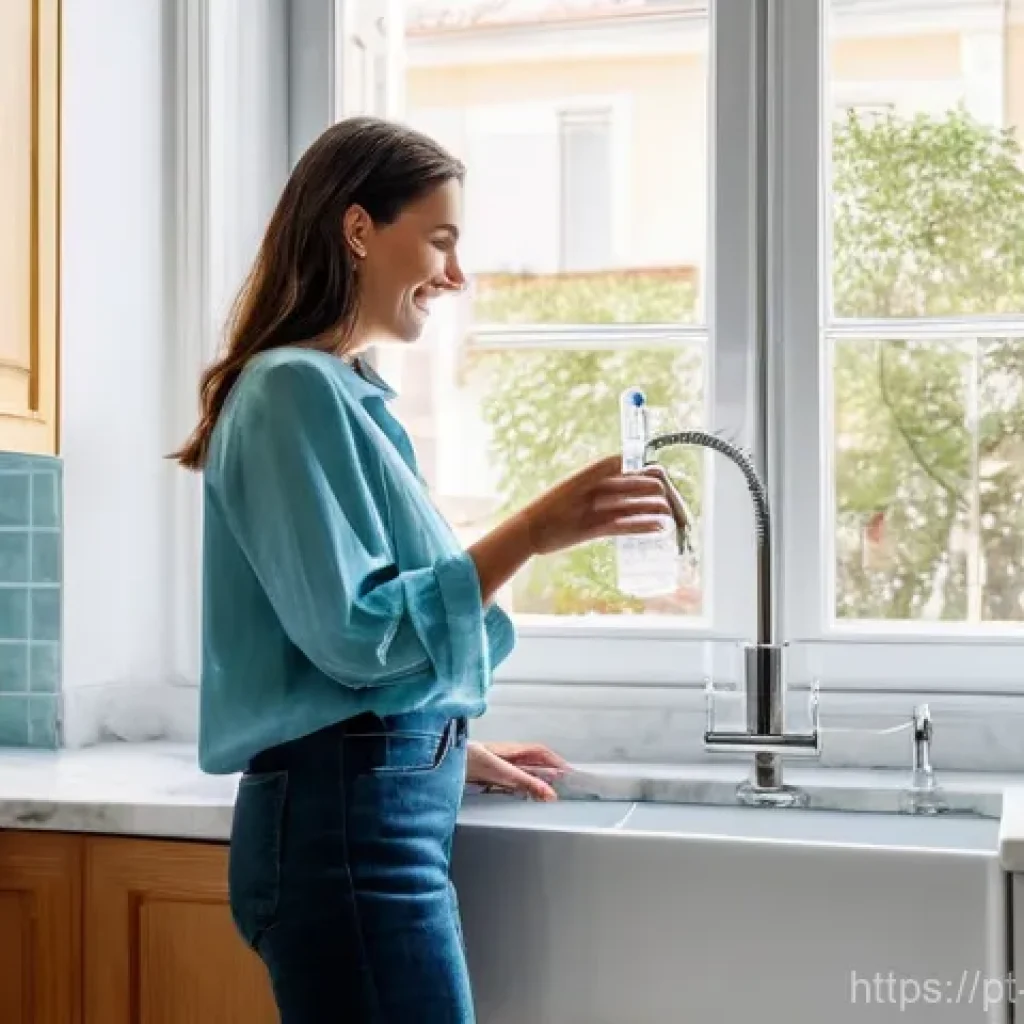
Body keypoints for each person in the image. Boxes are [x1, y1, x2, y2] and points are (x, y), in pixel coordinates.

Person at [172, 116, 683, 1023]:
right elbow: (358, 634)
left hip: (367, 815)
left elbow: (345, 655)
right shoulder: (292, 389)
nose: (455, 274)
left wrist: (443, 742)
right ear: (359, 228)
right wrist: (531, 530)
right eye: (440, 239)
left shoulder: (341, 393)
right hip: (345, 839)